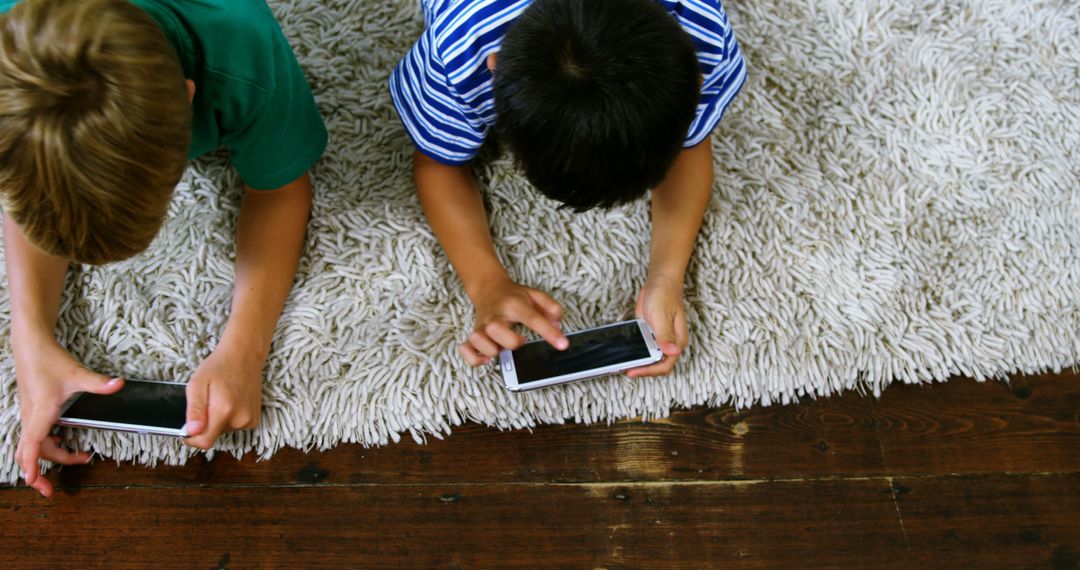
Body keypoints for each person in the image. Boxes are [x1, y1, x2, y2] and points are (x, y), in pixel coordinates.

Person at [0, 0, 327, 497]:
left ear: (188, 96)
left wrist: (244, 348)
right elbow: (28, 188)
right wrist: (30, 340)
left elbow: (279, 190)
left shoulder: (244, 46)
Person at [390, 0, 746, 371]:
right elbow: (437, 164)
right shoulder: (458, 49)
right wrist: (485, 284)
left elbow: (691, 140)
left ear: (697, 81)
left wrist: (667, 276)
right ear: (493, 71)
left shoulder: (699, 23)